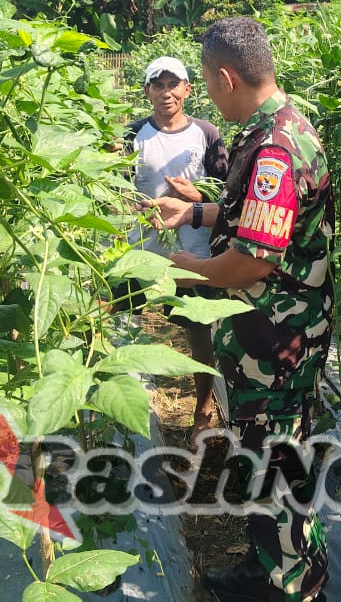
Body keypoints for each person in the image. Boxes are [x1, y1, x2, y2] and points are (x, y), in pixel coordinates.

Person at [149, 18, 332, 602]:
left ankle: (286, 583)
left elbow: (253, 259)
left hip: (274, 338)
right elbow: (255, 219)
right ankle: (282, 560)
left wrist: (182, 268)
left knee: (272, 456)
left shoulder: (274, 147)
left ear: (226, 77)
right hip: (277, 334)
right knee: (277, 453)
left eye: (205, 83)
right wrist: (195, 216)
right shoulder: (280, 126)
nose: (206, 94)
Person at [124, 55, 229, 444]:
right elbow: (115, 189)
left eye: (174, 84)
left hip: (193, 250)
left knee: (199, 328)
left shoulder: (206, 132)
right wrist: (130, 207)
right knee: (120, 316)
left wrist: (196, 195)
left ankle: (203, 406)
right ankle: (127, 405)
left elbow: (226, 192)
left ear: (188, 89)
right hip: (142, 250)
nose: (166, 92)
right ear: (148, 91)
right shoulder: (133, 136)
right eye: (158, 84)